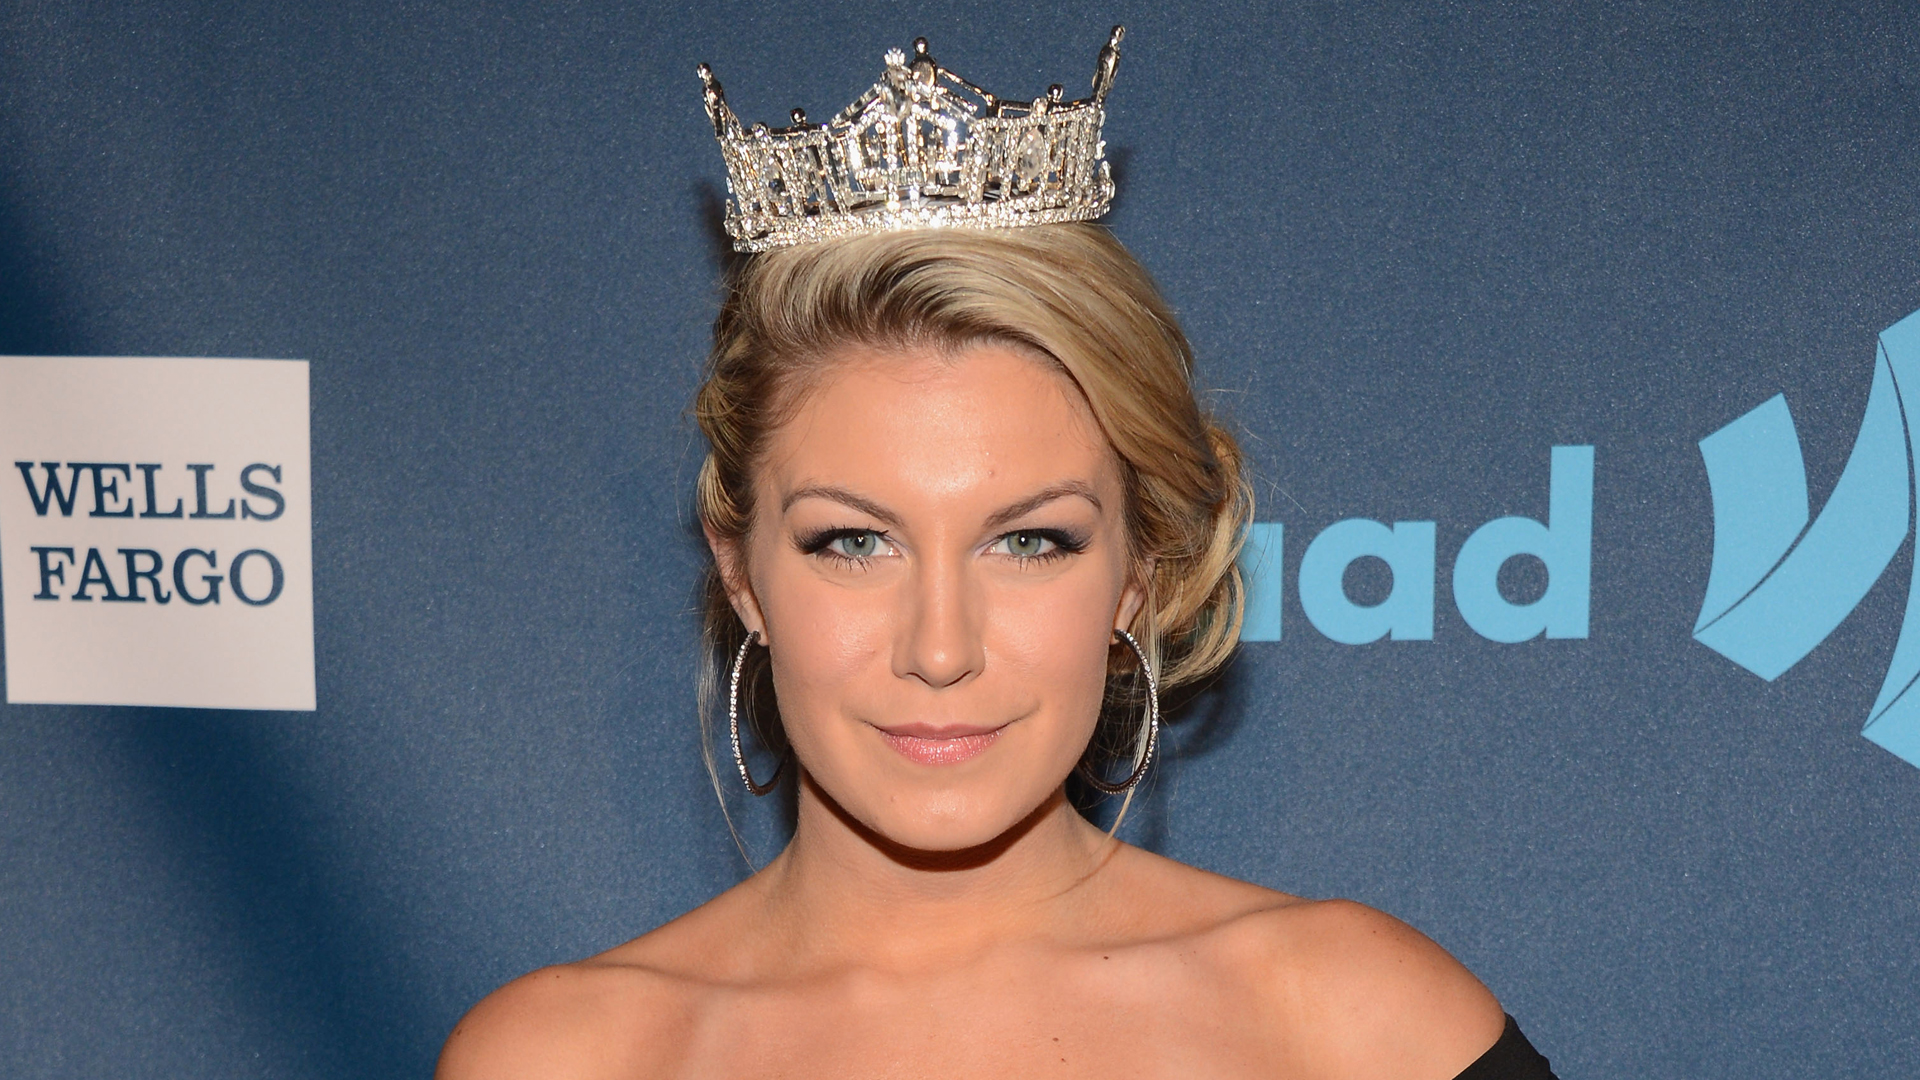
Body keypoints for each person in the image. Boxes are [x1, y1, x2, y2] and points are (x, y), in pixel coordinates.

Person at [438, 29, 1556, 1080]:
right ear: (742, 574)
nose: (940, 648)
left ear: (1138, 569)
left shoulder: (1364, 1034)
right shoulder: (566, 1057)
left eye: (1029, 542)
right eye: (854, 541)